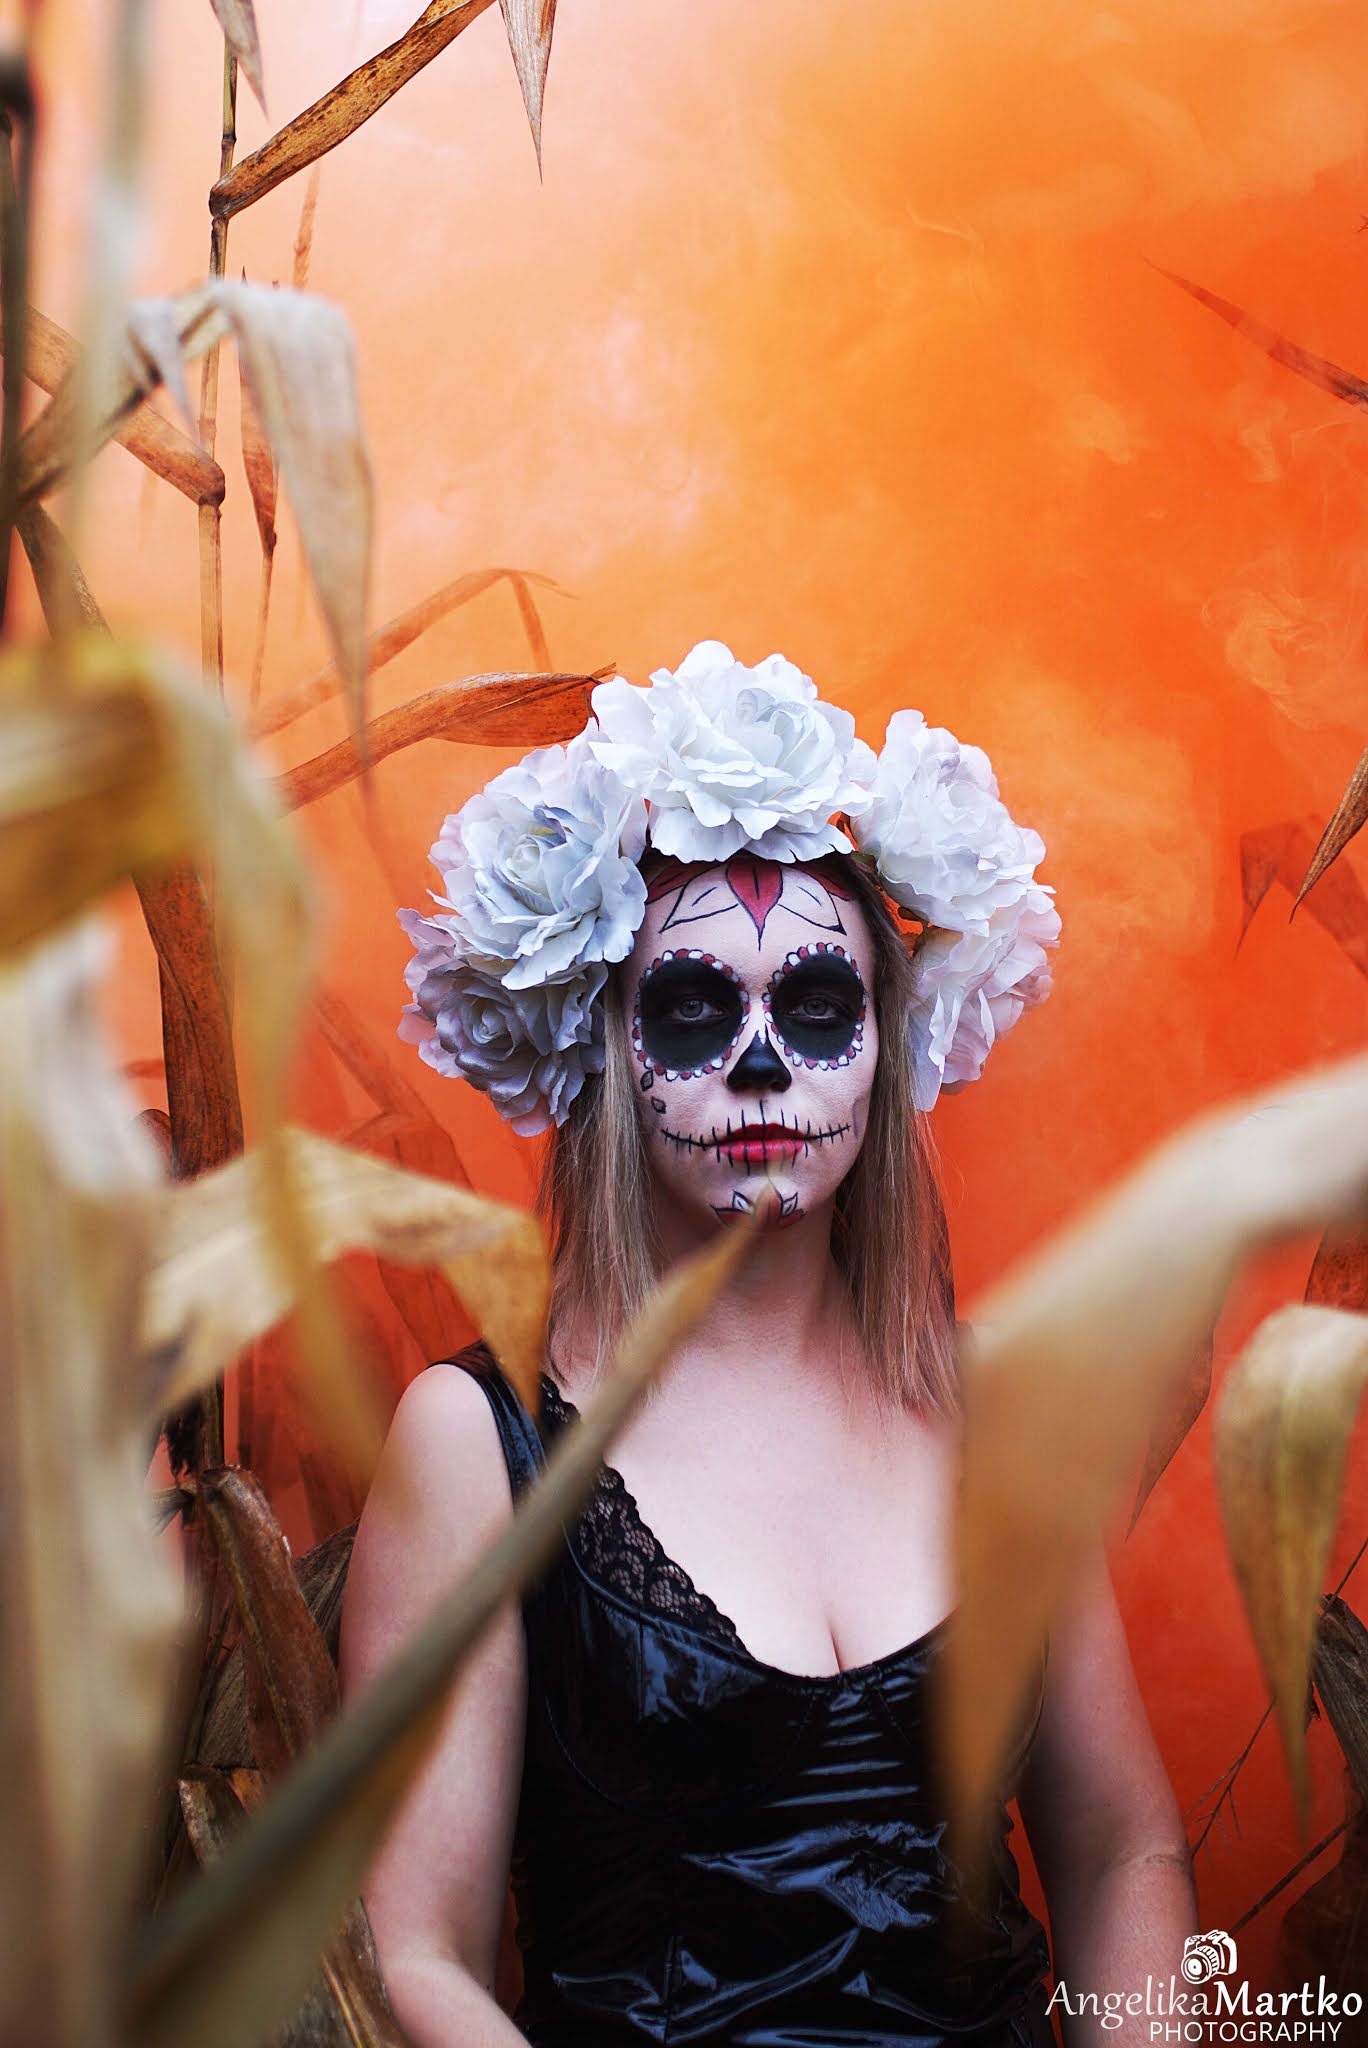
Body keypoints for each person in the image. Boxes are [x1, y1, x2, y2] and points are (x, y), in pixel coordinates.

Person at [338, 640, 1198, 2046]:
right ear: (606, 1046)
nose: (758, 1066)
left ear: (886, 1044)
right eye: (692, 1009)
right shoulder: (476, 1443)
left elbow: (1125, 1854)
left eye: (814, 1007)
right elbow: (416, 1953)